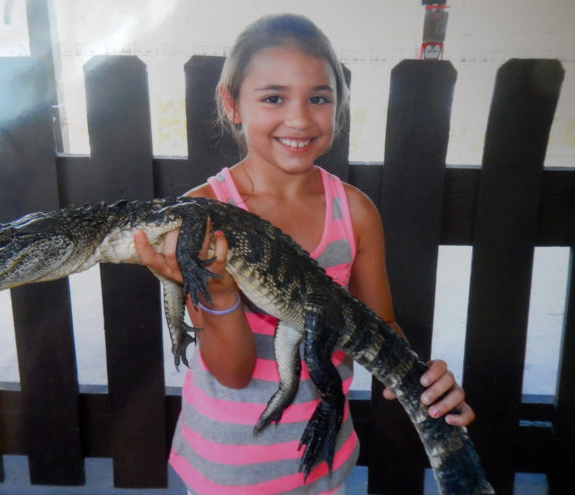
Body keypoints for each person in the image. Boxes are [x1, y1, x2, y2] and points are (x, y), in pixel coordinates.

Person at [134, 13, 475, 495]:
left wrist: (424, 383)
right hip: (228, 465)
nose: (299, 118)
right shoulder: (201, 215)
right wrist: (217, 287)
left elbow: (380, 328)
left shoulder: (354, 212)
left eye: (319, 98)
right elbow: (232, 373)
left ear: (338, 106)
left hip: (324, 460)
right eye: (273, 97)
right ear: (232, 104)